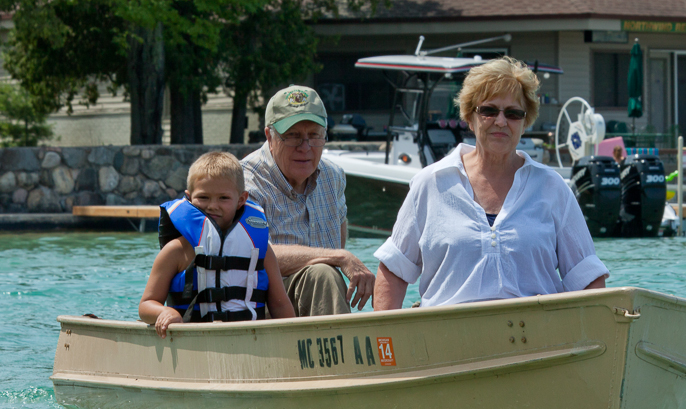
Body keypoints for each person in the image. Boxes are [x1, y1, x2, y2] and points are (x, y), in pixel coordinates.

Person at [373, 56, 609, 310]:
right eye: (488, 110)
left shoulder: (554, 188)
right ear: (470, 117)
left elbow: (587, 279)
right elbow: (394, 271)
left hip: (538, 340)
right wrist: (386, 346)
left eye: (513, 113)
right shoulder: (430, 184)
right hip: (445, 339)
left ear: (525, 121)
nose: (500, 121)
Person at [241, 85, 374, 316]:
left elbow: (338, 238)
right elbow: (255, 254)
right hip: (261, 304)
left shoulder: (333, 177)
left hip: (320, 299)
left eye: (314, 136)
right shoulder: (244, 181)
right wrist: (339, 257)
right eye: (292, 136)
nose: (305, 147)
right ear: (269, 136)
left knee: (327, 274)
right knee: (323, 273)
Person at [139, 151, 295, 338]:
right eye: (203, 198)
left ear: (241, 200)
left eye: (223, 198)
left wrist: (292, 338)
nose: (213, 205)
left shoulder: (260, 250)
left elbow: (280, 304)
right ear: (188, 198)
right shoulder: (176, 251)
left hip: (250, 340)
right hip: (192, 341)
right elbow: (146, 304)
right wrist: (164, 312)